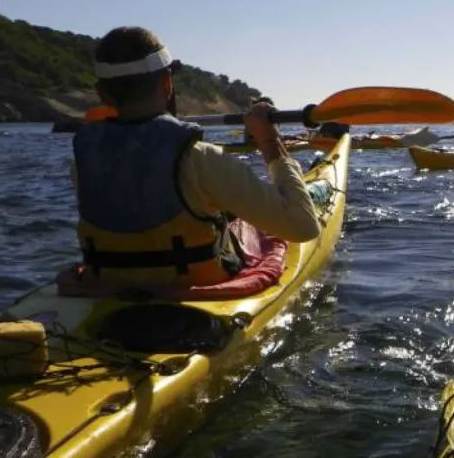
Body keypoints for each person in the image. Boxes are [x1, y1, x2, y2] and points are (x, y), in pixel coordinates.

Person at [71, 26, 320, 289]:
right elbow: (303, 227)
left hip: (107, 285)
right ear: (167, 83)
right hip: (194, 288)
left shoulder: (82, 163)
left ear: (102, 94)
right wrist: (269, 143)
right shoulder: (201, 159)